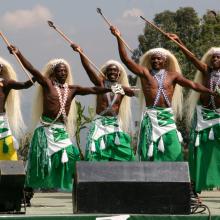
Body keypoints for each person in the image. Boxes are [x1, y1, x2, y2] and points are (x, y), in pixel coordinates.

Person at [9, 45, 114, 191]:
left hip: (60, 131)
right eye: (60, 70)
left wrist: (111, 88)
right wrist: (18, 53)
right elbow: (32, 69)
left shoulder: (72, 89)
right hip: (45, 130)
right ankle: (30, 188)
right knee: (40, 161)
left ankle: (68, 186)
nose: (63, 73)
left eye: (65, 70)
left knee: (72, 155)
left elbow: (93, 89)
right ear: (54, 72)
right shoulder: (47, 84)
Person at [110, 26, 219, 162]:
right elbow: (126, 60)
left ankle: (176, 180)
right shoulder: (145, 73)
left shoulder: (173, 76)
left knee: (174, 151)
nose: (155, 61)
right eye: (153, 59)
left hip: (167, 118)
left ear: (164, 61)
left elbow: (192, 85)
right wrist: (118, 37)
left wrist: (209, 91)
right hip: (151, 118)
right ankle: (149, 180)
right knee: (149, 153)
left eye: (158, 59)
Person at [167, 34, 220, 193]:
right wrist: (179, 41)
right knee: (198, 149)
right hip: (204, 116)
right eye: (213, 57)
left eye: (218, 57)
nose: (215, 59)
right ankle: (195, 185)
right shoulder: (206, 70)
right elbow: (192, 58)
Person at [71, 44, 136, 161]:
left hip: (115, 125)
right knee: (94, 152)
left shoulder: (122, 89)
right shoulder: (100, 84)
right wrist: (81, 53)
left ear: (119, 74)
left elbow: (134, 93)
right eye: (110, 70)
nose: (112, 72)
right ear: (106, 73)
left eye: (115, 71)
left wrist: (133, 92)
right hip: (100, 124)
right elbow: (89, 70)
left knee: (127, 154)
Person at [0, 56, 35, 161]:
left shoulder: (5, 83)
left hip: (1, 121)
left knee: (5, 148)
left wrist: (36, 76)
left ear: (1, 69)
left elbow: (25, 85)